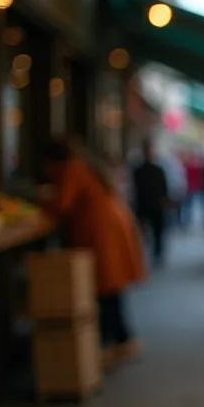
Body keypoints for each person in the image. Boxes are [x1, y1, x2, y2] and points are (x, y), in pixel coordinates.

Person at [41, 139, 146, 364]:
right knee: (111, 287)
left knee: (105, 288)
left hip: (100, 231)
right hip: (110, 226)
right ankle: (122, 340)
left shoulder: (72, 168)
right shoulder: (85, 165)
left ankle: (108, 344)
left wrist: (40, 201)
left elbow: (62, 204)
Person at [131, 140, 171, 266]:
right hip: (147, 205)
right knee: (149, 231)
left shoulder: (152, 170)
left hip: (152, 205)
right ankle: (150, 253)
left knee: (156, 231)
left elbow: (164, 188)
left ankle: (156, 253)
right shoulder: (140, 170)